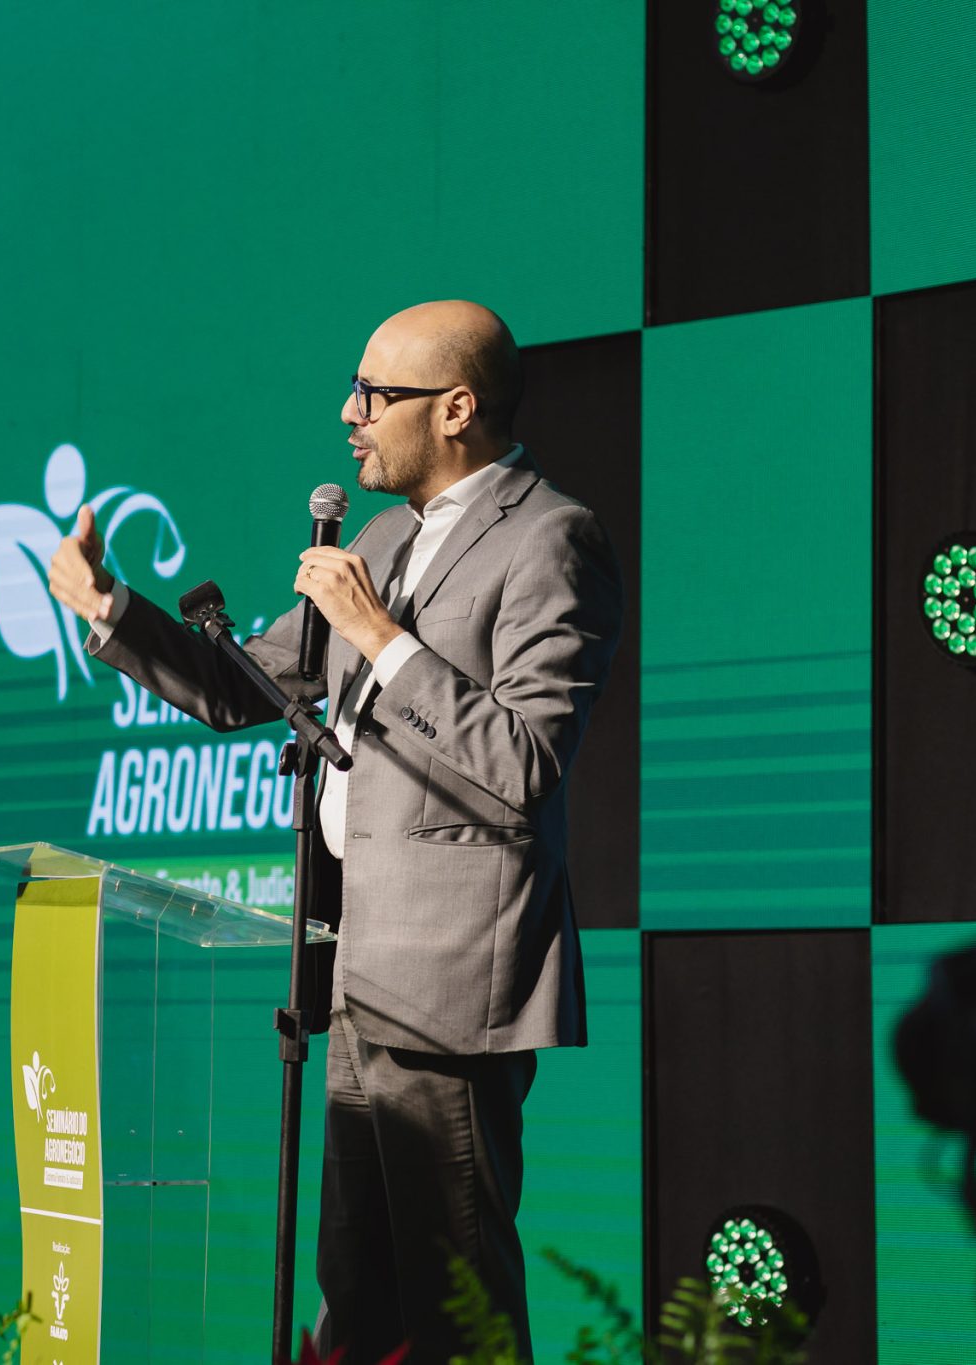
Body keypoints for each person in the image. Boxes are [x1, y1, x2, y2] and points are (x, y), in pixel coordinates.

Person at [48, 301, 623, 1360]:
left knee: (456, 1298)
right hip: (354, 961)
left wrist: (381, 637)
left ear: (455, 409)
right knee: (356, 1294)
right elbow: (245, 684)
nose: (348, 414)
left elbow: (526, 762)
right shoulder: (383, 535)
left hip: (451, 978)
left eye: (372, 393)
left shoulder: (550, 537)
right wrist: (108, 608)